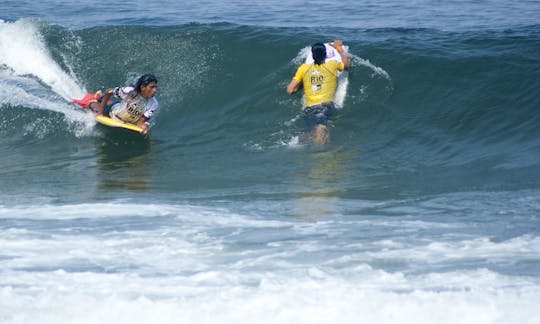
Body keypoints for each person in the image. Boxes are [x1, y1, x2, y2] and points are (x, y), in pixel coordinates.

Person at [287, 40, 350, 145]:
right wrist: (339, 49)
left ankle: (297, 141)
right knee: (322, 130)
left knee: (315, 129)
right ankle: (322, 154)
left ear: (312, 55)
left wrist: (305, 83)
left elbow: (290, 90)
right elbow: (346, 65)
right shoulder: (332, 65)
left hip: (308, 110)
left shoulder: (303, 68)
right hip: (325, 106)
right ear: (325, 55)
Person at [88, 74, 159, 135]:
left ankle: (100, 97)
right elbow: (109, 91)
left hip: (122, 109)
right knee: (96, 108)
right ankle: (92, 101)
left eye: (155, 87)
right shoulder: (129, 91)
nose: (155, 90)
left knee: (116, 104)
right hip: (114, 113)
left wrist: (145, 126)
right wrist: (100, 113)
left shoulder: (154, 104)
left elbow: (141, 122)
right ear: (143, 87)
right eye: (151, 87)